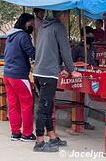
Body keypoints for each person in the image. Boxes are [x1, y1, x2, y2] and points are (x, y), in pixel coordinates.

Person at [33, 10, 82, 152]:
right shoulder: (59, 27)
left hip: (39, 72)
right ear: (64, 15)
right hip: (48, 74)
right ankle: (39, 142)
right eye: (67, 15)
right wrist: (72, 70)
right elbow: (65, 50)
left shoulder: (44, 26)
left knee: (48, 106)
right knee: (44, 107)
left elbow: (48, 50)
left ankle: (52, 137)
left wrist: (60, 67)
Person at [3, 13, 36, 142]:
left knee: (13, 104)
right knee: (27, 103)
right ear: (25, 23)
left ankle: (15, 133)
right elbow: (32, 54)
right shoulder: (23, 36)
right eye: (31, 24)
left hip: (8, 75)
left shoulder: (10, 36)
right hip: (19, 75)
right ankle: (27, 134)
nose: (32, 26)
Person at [72, 26, 96, 130]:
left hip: (90, 75)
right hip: (79, 76)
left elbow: (95, 61)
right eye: (88, 34)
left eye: (91, 34)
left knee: (88, 100)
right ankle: (79, 120)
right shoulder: (77, 48)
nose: (90, 36)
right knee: (81, 99)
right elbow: (71, 62)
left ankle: (84, 120)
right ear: (83, 36)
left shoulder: (93, 48)